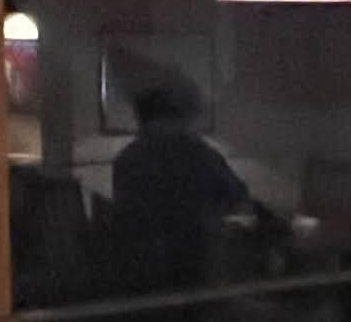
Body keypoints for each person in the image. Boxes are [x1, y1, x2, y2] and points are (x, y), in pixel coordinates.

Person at [103, 71, 258, 290]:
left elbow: (127, 221)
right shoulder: (200, 155)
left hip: (142, 276)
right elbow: (238, 200)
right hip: (194, 268)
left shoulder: (127, 159)